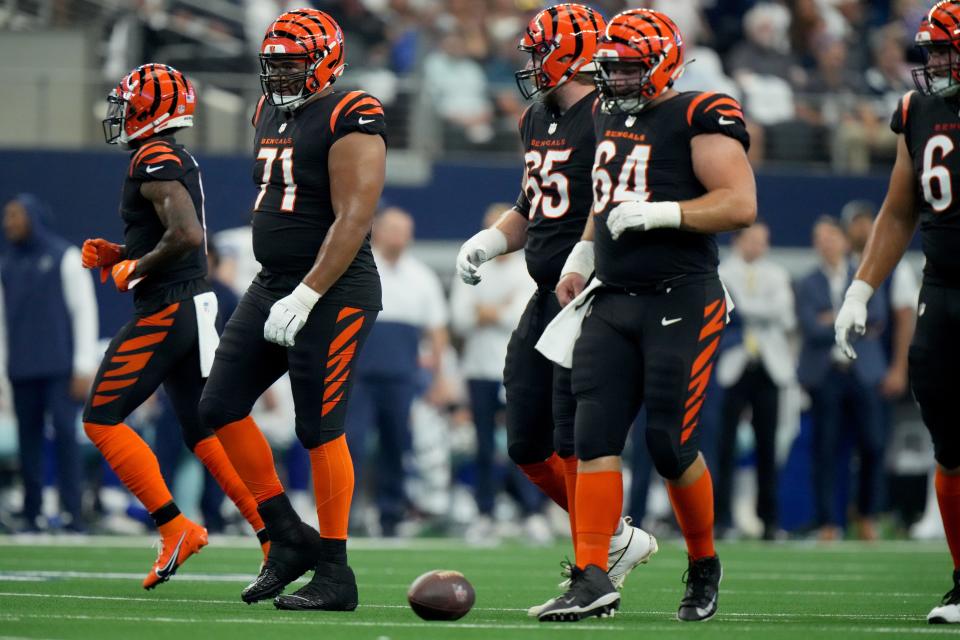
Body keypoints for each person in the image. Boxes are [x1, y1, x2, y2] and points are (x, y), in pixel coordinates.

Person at [535, 8, 756, 622]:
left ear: (662, 65)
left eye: (630, 69)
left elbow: (740, 204)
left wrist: (665, 214)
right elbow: (603, 199)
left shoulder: (699, 112)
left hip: (681, 296)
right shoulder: (608, 110)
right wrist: (582, 253)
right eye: (611, 68)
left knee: (667, 441)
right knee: (593, 435)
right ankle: (591, 576)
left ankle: (705, 562)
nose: (617, 80)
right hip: (612, 295)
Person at [455, 4, 656, 615]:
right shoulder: (537, 114)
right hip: (547, 296)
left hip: (592, 292)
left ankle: (592, 565)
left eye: (539, 51)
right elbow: (531, 204)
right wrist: (490, 240)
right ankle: (614, 537)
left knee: (576, 440)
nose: (530, 64)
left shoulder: (604, 112)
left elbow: (609, 195)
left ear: (571, 51)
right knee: (526, 444)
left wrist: (585, 253)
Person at [197, 8, 386, 612]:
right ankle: (286, 536)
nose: (279, 75)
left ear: (326, 60)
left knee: (318, 427)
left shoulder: (351, 113)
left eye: (292, 64)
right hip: (271, 279)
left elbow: (352, 218)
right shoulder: (268, 109)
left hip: (335, 288)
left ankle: (335, 571)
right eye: (273, 63)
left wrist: (307, 294)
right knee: (219, 405)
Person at [82, 63, 268, 589]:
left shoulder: (155, 156)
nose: (119, 115)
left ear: (150, 109)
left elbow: (185, 234)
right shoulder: (169, 156)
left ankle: (175, 525)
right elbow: (178, 235)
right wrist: (122, 251)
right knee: (200, 428)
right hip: (189, 302)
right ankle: (271, 534)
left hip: (169, 306)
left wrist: (133, 266)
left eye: (127, 104)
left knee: (101, 418)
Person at [834, 1, 960, 623]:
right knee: (949, 440)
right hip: (943, 287)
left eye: (946, 51)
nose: (934, 62)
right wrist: (861, 288)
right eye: (930, 51)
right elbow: (899, 208)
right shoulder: (917, 110)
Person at [346, 207, 447, 537]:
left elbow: (437, 329)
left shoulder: (422, 276)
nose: (398, 237)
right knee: (351, 443)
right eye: (392, 229)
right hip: (358, 373)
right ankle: (345, 516)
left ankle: (390, 515)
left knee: (396, 444)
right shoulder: (357, 267)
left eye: (405, 230)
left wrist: (440, 376)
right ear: (377, 231)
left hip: (400, 375)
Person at [1, 194, 98, 532]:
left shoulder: (65, 257)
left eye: (14, 215)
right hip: (22, 369)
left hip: (60, 368)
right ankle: (32, 513)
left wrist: (83, 366)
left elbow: (83, 312)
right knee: (27, 441)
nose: (8, 222)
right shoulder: (6, 263)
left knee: (65, 437)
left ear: (32, 217)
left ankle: (73, 512)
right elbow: (2, 324)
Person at [450, 204, 536, 542]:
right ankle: (485, 513)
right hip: (479, 368)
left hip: (516, 367)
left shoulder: (528, 268)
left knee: (524, 444)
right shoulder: (471, 264)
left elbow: (523, 316)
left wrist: (488, 312)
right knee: (483, 446)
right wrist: (500, 309)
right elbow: (459, 318)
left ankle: (531, 512)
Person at [798, 217, 887, 542]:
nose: (826, 243)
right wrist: (846, 319)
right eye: (819, 238)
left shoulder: (864, 275)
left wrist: (831, 319)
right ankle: (828, 523)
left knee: (873, 445)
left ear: (844, 241)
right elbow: (811, 326)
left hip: (862, 372)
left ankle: (866, 516)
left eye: (831, 237)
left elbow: (876, 318)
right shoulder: (808, 282)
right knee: (826, 449)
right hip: (827, 375)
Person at [715, 221, 796, 540]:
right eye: (752, 240)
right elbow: (725, 312)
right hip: (733, 366)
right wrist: (761, 310)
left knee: (768, 446)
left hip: (769, 366)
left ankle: (769, 521)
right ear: (738, 240)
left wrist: (746, 308)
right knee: (724, 446)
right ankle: (721, 520)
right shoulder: (722, 270)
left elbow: (785, 314)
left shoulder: (777, 273)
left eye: (763, 241)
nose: (758, 247)